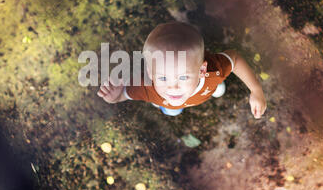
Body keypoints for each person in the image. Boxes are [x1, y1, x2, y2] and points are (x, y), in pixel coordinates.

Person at [97, 21, 266, 118]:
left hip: (207, 86)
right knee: (172, 109)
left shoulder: (213, 71)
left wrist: (256, 89)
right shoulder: (148, 89)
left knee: (214, 86)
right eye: (163, 78)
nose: (173, 87)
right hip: (169, 100)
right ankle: (170, 107)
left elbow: (234, 58)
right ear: (150, 74)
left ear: (202, 70)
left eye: (183, 77)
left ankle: (212, 89)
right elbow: (123, 94)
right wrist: (116, 96)